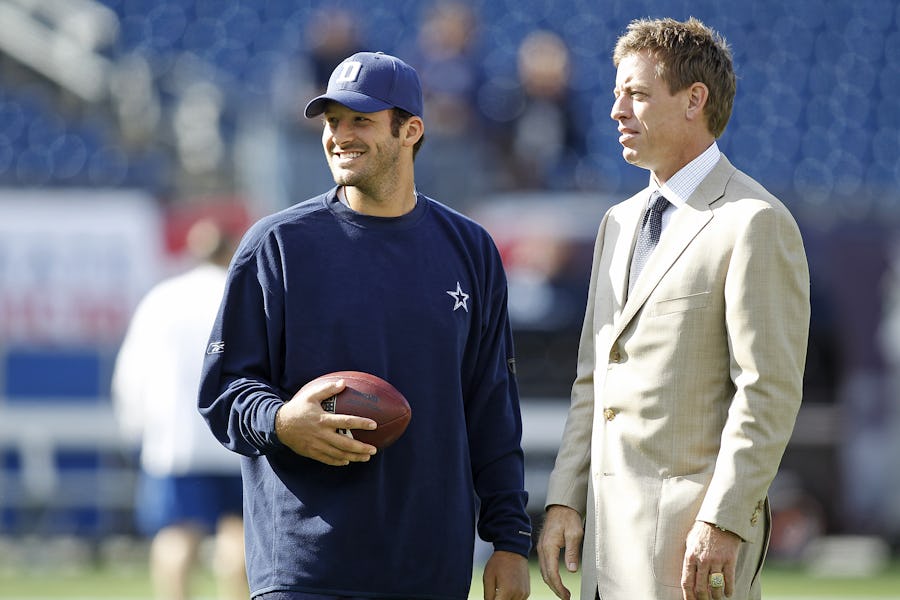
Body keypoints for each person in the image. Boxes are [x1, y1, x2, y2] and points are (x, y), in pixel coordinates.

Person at [198, 51, 531, 600]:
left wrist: (510, 540)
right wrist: (282, 421)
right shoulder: (276, 245)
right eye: (332, 121)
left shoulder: (470, 249)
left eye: (361, 120)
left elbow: (491, 406)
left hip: (431, 567)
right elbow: (224, 391)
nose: (340, 136)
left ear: (410, 130)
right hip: (305, 570)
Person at [536, 17, 809, 600]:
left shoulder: (755, 222)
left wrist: (724, 520)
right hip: (605, 555)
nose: (617, 111)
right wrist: (564, 499)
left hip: (690, 556)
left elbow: (767, 391)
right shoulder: (616, 222)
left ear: (694, 100)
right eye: (617, 94)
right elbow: (594, 380)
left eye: (636, 94)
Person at [113, 218, 247, 600]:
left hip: (176, 440)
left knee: (176, 534)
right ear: (231, 249)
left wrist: (136, 427)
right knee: (241, 534)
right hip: (238, 436)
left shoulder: (162, 298)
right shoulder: (242, 293)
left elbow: (132, 372)